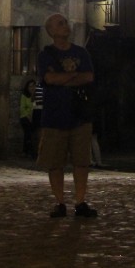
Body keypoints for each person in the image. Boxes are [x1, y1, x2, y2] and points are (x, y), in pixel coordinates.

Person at [37, 12, 97, 218]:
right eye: (60, 24)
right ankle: (60, 201)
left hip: (79, 114)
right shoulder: (45, 55)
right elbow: (49, 79)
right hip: (54, 116)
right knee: (55, 162)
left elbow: (88, 76)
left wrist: (64, 78)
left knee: (81, 161)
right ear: (52, 31)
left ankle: (80, 201)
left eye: (65, 22)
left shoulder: (81, 53)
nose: (65, 26)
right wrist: (72, 75)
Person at [19, 79, 37, 157]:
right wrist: (28, 116)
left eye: (33, 86)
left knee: (29, 133)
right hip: (25, 117)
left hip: (35, 117)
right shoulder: (24, 96)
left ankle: (26, 151)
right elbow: (22, 108)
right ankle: (29, 151)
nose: (32, 88)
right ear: (27, 87)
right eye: (30, 86)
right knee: (28, 130)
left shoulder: (37, 96)